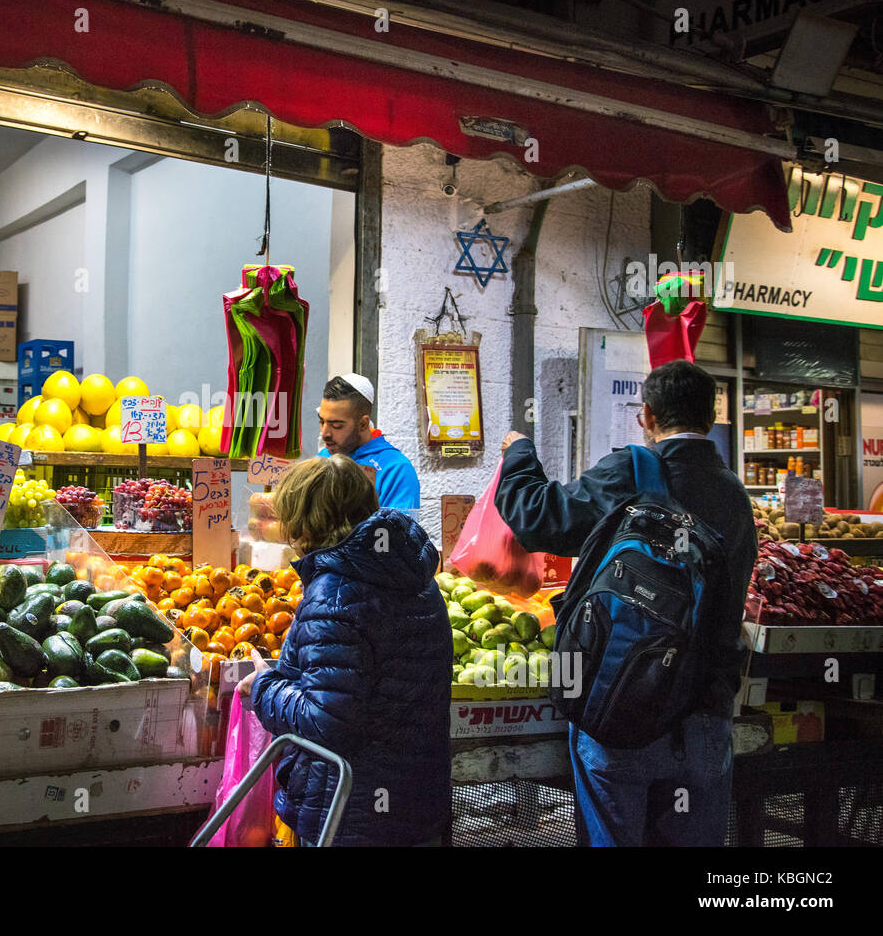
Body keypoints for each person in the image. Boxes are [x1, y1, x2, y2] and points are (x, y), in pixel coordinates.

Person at [494, 359, 757, 846]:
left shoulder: (633, 472)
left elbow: (537, 518)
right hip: (707, 715)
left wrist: (519, 454)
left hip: (624, 705)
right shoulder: (735, 494)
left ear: (648, 415)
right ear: (711, 415)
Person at [238, 454, 451, 846]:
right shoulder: (417, 579)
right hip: (418, 799)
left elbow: (327, 721)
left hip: (352, 811)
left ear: (304, 520)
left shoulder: (335, 594)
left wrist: (265, 688)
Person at [316, 373, 420, 512]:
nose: (325, 434)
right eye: (322, 422)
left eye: (336, 425)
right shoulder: (324, 457)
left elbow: (397, 531)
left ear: (363, 424)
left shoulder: (395, 468)